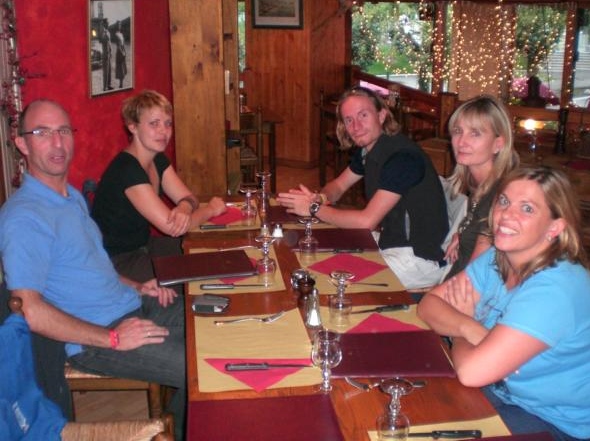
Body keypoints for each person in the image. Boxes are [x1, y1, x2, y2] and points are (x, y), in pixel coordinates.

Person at [0, 100, 186, 440]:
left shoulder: (70, 197)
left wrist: (137, 286)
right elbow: (29, 310)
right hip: (97, 337)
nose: (57, 143)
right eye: (42, 133)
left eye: (63, 131)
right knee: (202, 366)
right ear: (22, 144)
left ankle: (184, 419)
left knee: (214, 322)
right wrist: (112, 338)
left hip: (132, 304)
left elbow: (92, 267)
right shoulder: (24, 218)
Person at [417, 166, 590, 441]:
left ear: (555, 227)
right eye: (504, 201)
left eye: (527, 208)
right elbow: (428, 305)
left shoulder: (556, 289)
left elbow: (472, 373)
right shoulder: (496, 258)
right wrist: (471, 328)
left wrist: (460, 327)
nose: (507, 215)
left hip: (555, 422)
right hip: (503, 395)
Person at [276, 86, 449, 289]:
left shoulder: (403, 158)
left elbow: (366, 221)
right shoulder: (369, 150)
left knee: (329, 280)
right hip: (392, 242)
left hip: (418, 259)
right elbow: (339, 186)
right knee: (316, 251)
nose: (356, 126)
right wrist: (320, 198)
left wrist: (314, 209)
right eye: (349, 120)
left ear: (382, 116)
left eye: (363, 115)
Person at [91, 90, 226, 284]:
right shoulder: (127, 169)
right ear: (132, 126)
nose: (163, 131)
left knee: (213, 254)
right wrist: (211, 209)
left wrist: (183, 207)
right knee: (197, 276)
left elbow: (190, 198)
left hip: (145, 245)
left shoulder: (157, 158)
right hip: (119, 261)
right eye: (154, 123)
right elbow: (173, 228)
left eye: (168, 123)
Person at [443, 95, 520, 280]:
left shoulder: (500, 197)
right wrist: (463, 234)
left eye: (475, 133)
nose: (461, 142)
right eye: (458, 131)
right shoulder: (482, 188)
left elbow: (472, 280)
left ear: (498, 144)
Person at [100, 18, 113, 91]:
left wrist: (111, 52)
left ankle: (109, 85)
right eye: (107, 23)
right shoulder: (103, 31)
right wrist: (103, 29)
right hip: (105, 54)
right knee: (105, 71)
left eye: (108, 22)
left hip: (109, 53)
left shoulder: (108, 32)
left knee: (109, 70)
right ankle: (105, 87)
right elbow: (102, 40)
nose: (108, 24)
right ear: (104, 24)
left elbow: (110, 43)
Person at [114, 21, 127, 89]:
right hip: (119, 52)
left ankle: (121, 84)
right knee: (120, 69)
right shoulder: (116, 34)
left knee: (123, 68)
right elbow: (118, 45)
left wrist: (125, 51)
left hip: (123, 51)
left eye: (120, 25)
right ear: (116, 26)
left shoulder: (121, 34)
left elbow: (123, 44)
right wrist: (122, 53)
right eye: (118, 25)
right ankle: (120, 85)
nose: (119, 26)